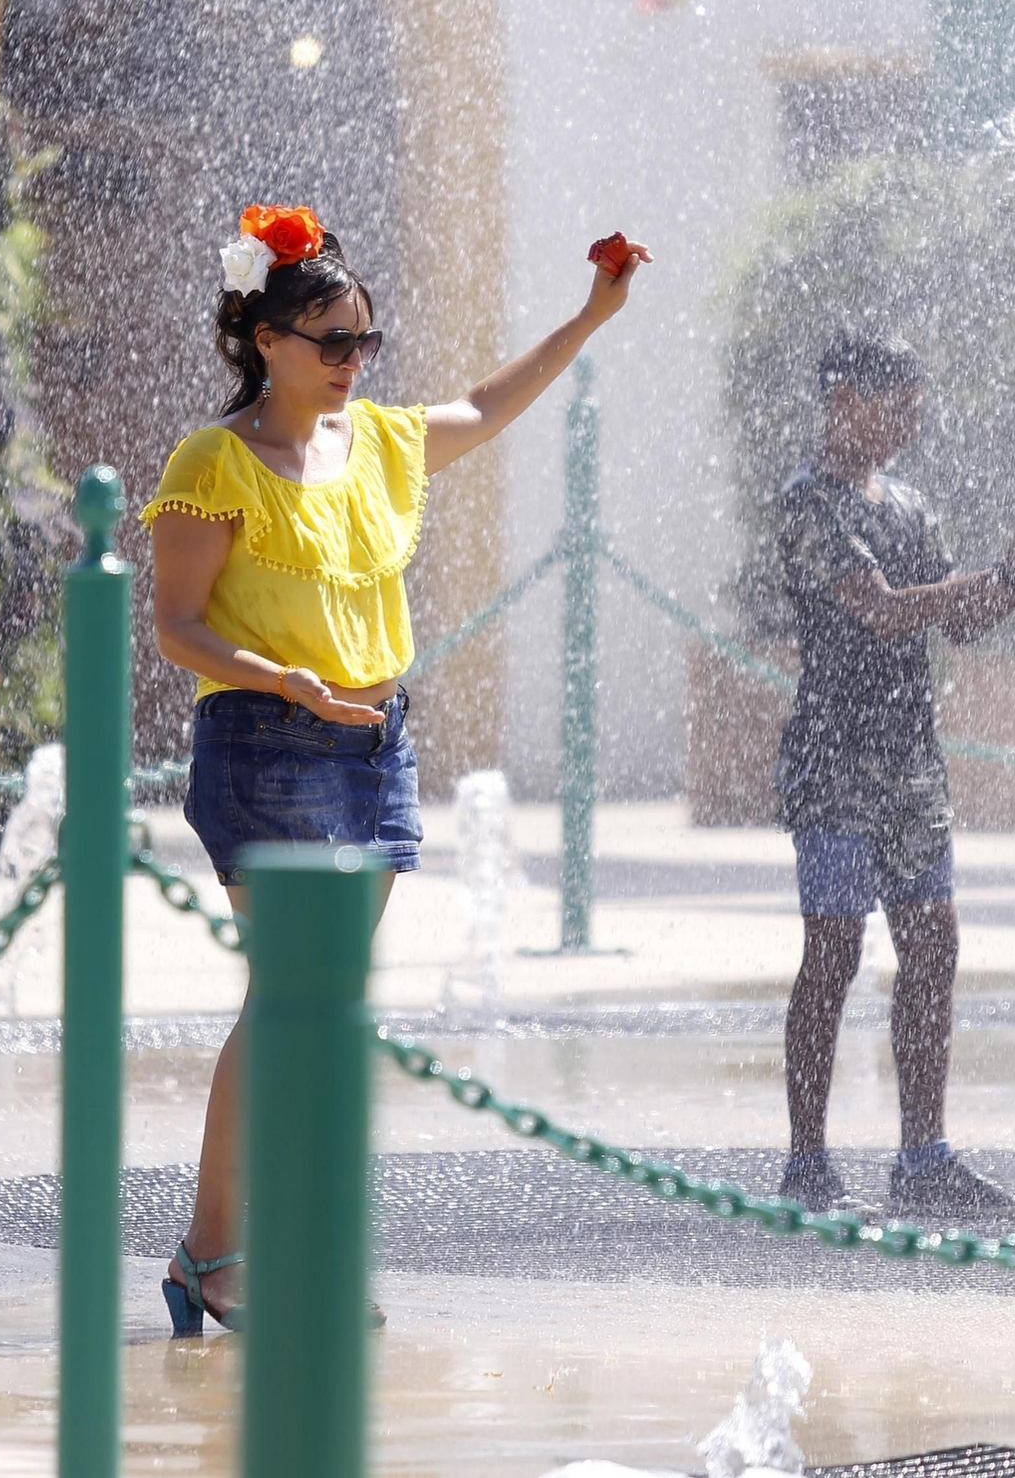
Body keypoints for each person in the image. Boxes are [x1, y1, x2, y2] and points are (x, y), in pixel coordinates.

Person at [142, 201, 649, 1333]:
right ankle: (219, 1251)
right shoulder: (215, 460)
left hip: (375, 747)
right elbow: (177, 626)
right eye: (332, 343)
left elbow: (487, 405)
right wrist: (287, 681)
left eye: (365, 343)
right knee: (287, 1007)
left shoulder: (372, 440)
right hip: (270, 742)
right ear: (263, 339)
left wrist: (589, 317)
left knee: (316, 1012)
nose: (352, 365)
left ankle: (255, 1252)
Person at [775, 328, 1015, 1220]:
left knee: (935, 945)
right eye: (895, 405)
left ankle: (923, 1156)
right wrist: (992, 575)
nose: (911, 423)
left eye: (916, 406)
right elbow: (877, 614)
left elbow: (962, 620)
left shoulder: (909, 505)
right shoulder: (807, 502)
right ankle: (806, 1160)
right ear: (844, 402)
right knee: (831, 955)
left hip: (911, 762)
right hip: (835, 764)